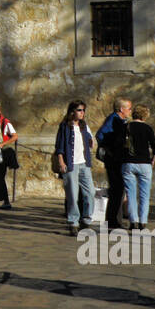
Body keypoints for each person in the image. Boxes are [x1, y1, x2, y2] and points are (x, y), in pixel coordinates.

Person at [116, 104, 155, 230]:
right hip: (145, 163)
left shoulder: (126, 127)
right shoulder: (148, 128)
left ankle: (133, 221)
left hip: (129, 163)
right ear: (145, 116)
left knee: (131, 194)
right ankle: (143, 222)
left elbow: (119, 144)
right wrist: (153, 160)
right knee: (144, 195)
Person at [55, 99, 95, 234]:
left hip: (84, 164)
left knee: (90, 192)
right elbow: (59, 147)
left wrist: (91, 141)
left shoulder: (84, 126)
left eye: (83, 110)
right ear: (72, 111)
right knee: (72, 194)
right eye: (79, 110)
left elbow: (89, 139)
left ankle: (86, 219)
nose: (82, 113)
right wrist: (61, 162)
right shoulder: (65, 126)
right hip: (71, 164)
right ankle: (73, 222)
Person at [95, 98, 132, 229]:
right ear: (121, 109)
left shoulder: (120, 120)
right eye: (128, 108)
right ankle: (113, 221)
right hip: (113, 161)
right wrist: (110, 148)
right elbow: (100, 135)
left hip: (117, 160)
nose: (130, 111)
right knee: (117, 189)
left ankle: (115, 220)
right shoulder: (113, 119)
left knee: (118, 190)